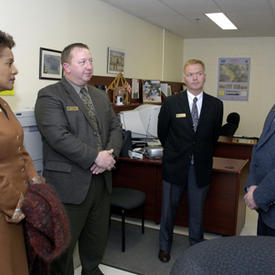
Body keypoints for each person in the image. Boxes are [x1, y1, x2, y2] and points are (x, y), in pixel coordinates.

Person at [35, 43, 123, 275]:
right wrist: (96, 157)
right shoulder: (49, 95)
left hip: (100, 183)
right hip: (68, 187)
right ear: (66, 67)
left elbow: (116, 127)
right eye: (82, 62)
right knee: (63, 250)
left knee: (95, 241)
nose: (89, 66)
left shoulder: (100, 96)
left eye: (91, 61)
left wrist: (109, 155)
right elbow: (58, 137)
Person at [158, 59, 223, 262]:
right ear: (184, 78)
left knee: (197, 212)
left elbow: (213, 137)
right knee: (168, 211)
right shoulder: (171, 103)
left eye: (198, 73)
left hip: (200, 167)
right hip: (174, 166)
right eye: (190, 74)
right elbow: (162, 133)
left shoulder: (216, 105)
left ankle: (197, 248)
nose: (195, 78)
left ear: (204, 76)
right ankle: (164, 246)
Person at [0, 30, 42, 275]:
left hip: (20, 206)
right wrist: (14, 204)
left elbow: (20, 148)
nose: (15, 70)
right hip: (6, 209)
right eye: (9, 63)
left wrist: (35, 179)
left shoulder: (4, 104)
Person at [244, 105, 275, 236]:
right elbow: (260, 146)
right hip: (266, 210)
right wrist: (252, 185)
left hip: (267, 197)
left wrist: (259, 196)